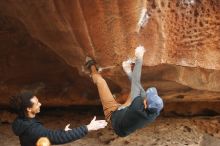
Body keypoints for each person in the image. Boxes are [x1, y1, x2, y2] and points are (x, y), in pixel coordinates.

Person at [85, 45, 163, 137]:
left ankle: (92, 67)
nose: (146, 95)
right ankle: (125, 75)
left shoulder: (137, 106)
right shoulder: (155, 112)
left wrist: (139, 56)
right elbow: (139, 89)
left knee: (101, 81)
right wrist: (129, 72)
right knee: (136, 92)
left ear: (145, 104)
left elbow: (136, 82)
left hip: (112, 114)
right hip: (125, 114)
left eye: (147, 97)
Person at [10, 92, 107, 146]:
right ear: (29, 109)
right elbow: (56, 137)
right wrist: (88, 127)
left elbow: (49, 135)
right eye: (37, 103)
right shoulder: (32, 129)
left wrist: (63, 131)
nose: (40, 104)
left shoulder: (21, 121)